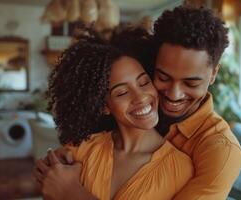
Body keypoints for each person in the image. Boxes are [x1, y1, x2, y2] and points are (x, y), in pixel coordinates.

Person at [35, 5, 241, 200]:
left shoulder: (220, 151)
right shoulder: (93, 144)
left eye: (191, 82)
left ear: (214, 73)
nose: (173, 94)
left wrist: (73, 193)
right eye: (163, 77)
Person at [35, 29, 193, 200]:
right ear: (104, 106)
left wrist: (72, 192)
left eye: (144, 82)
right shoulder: (82, 151)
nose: (140, 97)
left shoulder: (180, 169)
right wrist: (47, 172)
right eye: (122, 92)